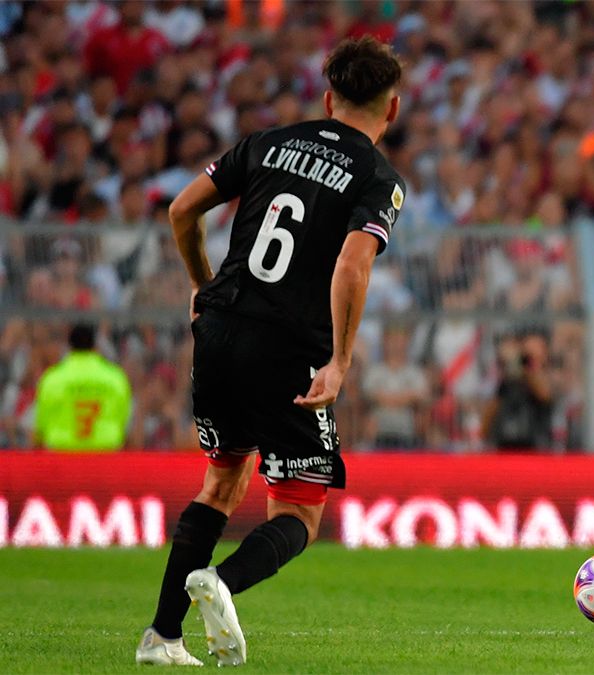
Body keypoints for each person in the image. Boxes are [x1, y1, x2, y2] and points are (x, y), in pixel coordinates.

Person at [136, 36, 406, 666]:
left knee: (220, 483)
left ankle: (162, 638)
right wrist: (339, 360)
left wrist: (203, 285)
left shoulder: (266, 142)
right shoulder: (377, 177)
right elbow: (352, 265)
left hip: (220, 329)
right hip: (287, 350)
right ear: (391, 109)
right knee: (301, 511)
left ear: (327, 98)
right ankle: (221, 583)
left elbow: (181, 211)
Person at [33, 323, 132, 451]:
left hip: (63, 453)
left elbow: (41, 427)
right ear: (95, 345)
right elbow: (123, 422)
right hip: (104, 452)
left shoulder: (52, 379)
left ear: (70, 346)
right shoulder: (115, 378)